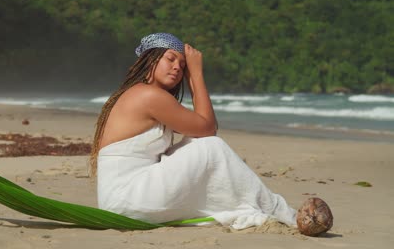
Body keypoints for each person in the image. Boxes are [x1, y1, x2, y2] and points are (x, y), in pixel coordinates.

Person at [89, 32, 297, 230]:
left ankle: (271, 209)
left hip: (122, 199)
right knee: (211, 147)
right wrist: (196, 74)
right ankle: (282, 212)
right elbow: (208, 128)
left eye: (182, 65)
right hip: (128, 198)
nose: (177, 68)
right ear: (149, 60)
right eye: (170, 59)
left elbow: (201, 130)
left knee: (196, 143)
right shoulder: (148, 95)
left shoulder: (142, 94)